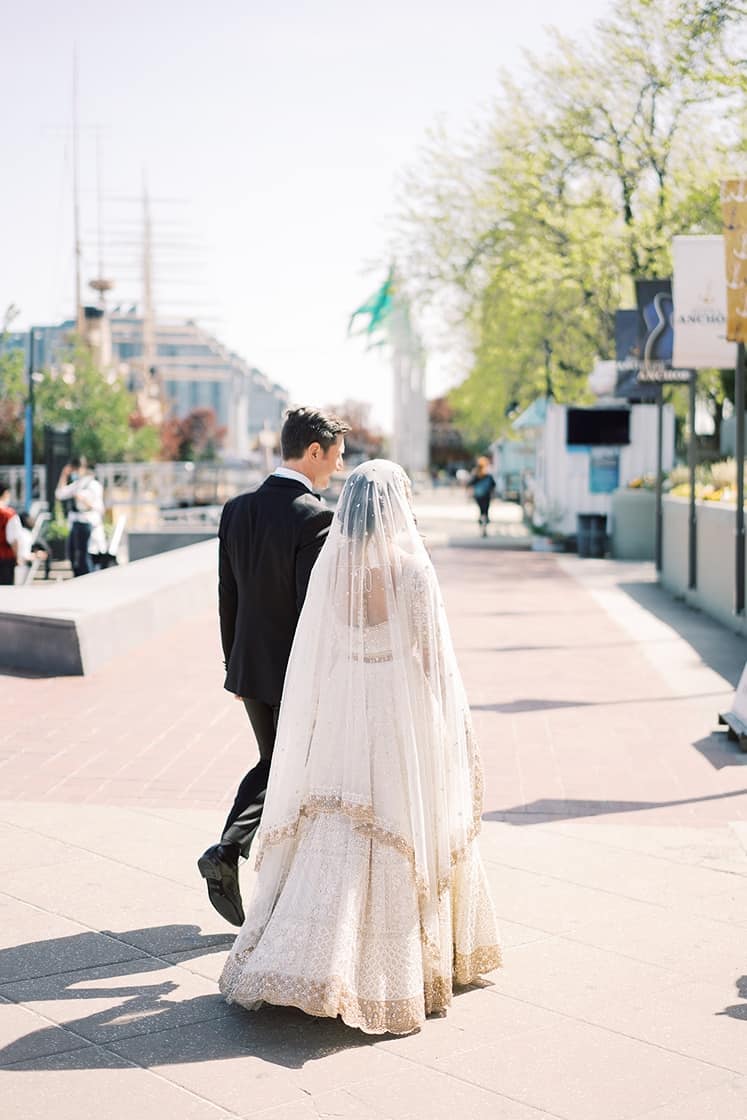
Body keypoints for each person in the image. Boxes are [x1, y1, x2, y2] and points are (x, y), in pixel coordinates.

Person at [219, 460, 501, 1035]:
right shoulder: (411, 573)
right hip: (394, 703)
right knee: (397, 821)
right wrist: (445, 725)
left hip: (346, 698)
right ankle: (387, 968)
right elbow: (429, 658)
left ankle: (304, 954)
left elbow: (315, 652)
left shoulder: (334, 569)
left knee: (335, 820)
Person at [198, 407, 349, 927]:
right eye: (336, 454)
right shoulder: (316, 517)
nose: (338, 464)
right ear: (314, 451)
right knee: (285, 769)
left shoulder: (236, 509)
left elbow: (227, 595)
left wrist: (232, 665)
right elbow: (315, 611)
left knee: (275, 764)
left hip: (248, 668)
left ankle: (250, 865)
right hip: (294, 672)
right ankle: (231, 854)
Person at [54, 459, 106, 577]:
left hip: (87, 522)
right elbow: (60, 494)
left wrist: (83, 500)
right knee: (72, 554)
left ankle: (88, 578)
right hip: (75, 522)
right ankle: (78, 577)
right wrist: (64, 475)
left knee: (83, 555)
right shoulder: (78, 484)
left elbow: (98, 507)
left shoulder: (94, 485)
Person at [467, 456, 496, 538]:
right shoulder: (488, 475)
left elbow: (470, 484)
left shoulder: (476, 474)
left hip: (478, 497)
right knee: (485, 512)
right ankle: (484, 527)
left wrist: (469, 495)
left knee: (481, 511)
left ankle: (482, 526)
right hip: (487, 496)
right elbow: (493, 486)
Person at [0, 479, 20, 586]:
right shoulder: (9, 514)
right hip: (5, 558)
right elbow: (13, 540)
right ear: (6, 493)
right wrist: (17, 557)